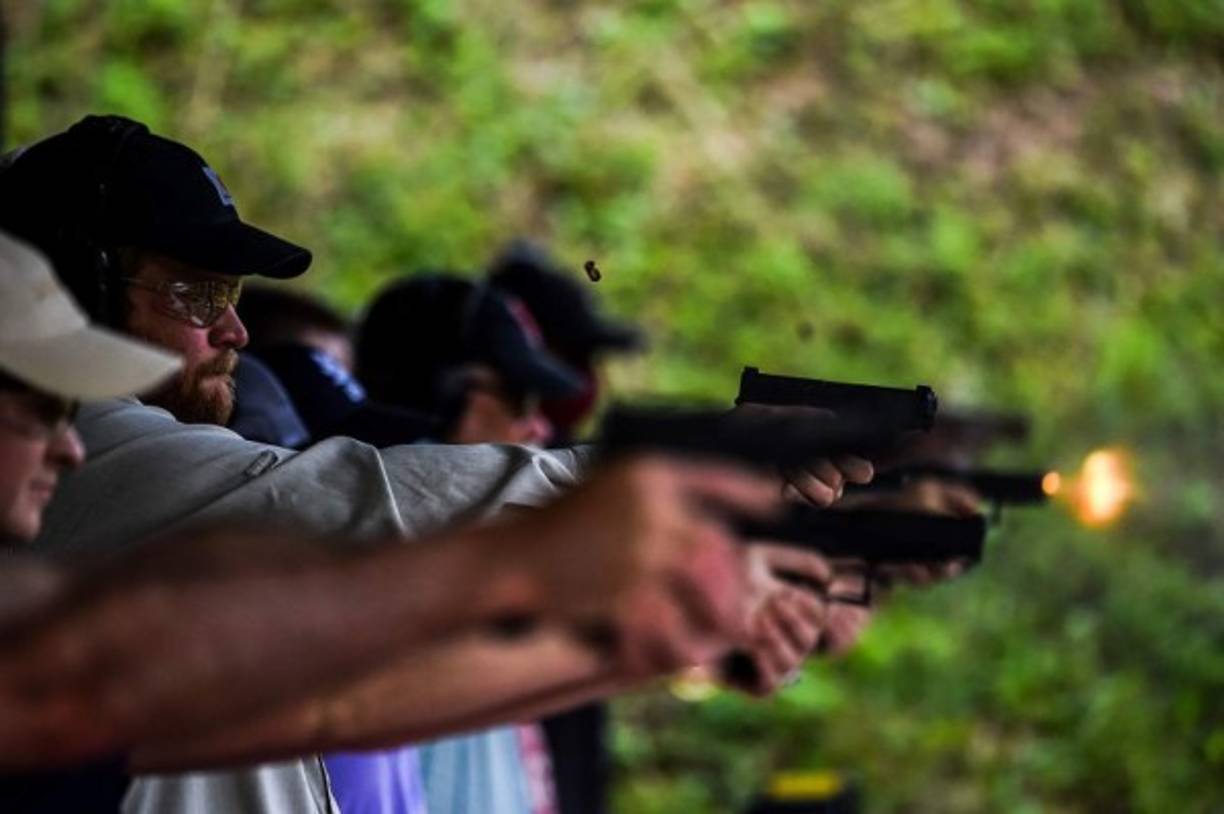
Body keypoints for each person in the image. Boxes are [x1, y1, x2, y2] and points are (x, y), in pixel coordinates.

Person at [0, 115, 864, 813]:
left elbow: (354, 702)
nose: (235, 331)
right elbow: (345, 508)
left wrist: (655, 620)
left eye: (233, 297)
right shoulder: (103, 455)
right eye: (197, 294)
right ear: (79, 288)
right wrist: (668, 492)